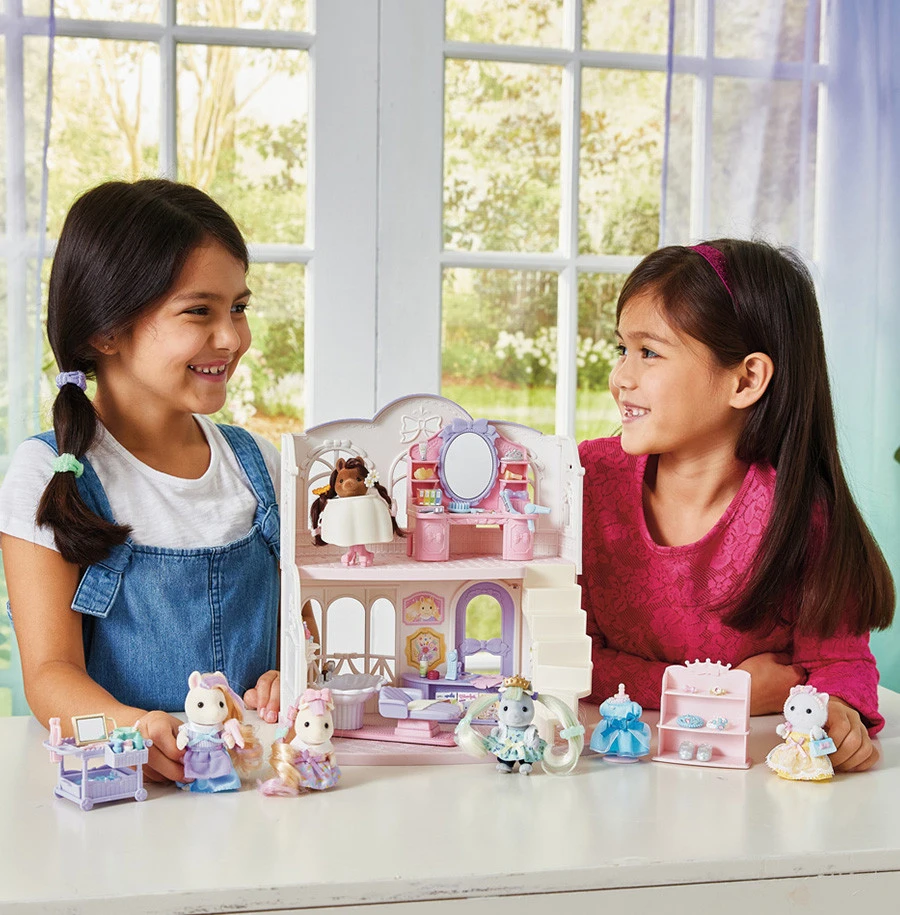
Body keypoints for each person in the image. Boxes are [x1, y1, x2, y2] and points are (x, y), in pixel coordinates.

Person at [0, 179, 300, 782]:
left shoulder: (259, 467)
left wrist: (288, 675)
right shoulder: (50, 473)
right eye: (199, 311)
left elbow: (303, 633)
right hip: (127, 792)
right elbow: (51, 675)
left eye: (238, 308)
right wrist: (132, 728)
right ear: (105, 331)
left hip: (255, 790)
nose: (232, 338)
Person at [580, 240, 895, 774]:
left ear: (745, 379)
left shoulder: (800, 514)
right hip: (605, 769)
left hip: (748, 788)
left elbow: (839, 665)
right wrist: (728, 691)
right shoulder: (586, 483)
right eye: (622, 350)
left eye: (649, 352)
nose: (621, 378)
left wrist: (837, 714)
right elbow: (564, 659)